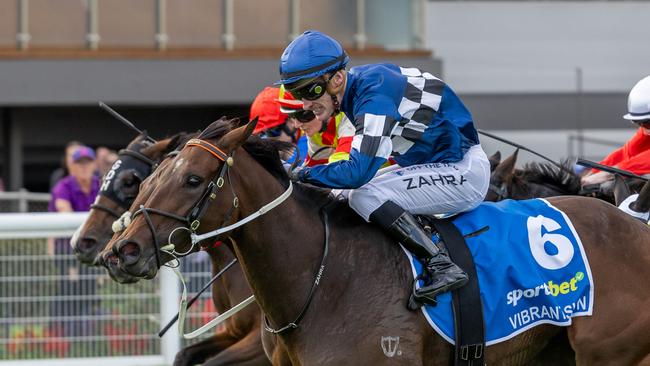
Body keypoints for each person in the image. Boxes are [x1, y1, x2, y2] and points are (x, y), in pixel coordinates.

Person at [277, 30, 491, 306]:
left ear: (337, 79)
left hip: (463, 172)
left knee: (363, 195)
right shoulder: (357, 91)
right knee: (340, 196)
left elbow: (357, 174)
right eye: (297, 93)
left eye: (310, 90)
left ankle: (440, 264)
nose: (306, 103)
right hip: (441, 164)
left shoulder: (372, 98)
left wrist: (299, 174)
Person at [48, 145, 100, 339]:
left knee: (90, 292)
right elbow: (65, 214)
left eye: (88, 162)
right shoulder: (62, 187)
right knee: (67, 292)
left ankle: (86, 337)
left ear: (94, 164)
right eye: (80, 163)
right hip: (66, 250)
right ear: (72, 166)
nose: (84, 167)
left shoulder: (100, 185)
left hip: (92, 249)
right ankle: (61, 336)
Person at [581, 75, 650, 186]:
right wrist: (593, 172)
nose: (646, 130)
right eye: (638, 123)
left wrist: (606, 174)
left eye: (648, 123)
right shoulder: (646, 129)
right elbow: (627, 153)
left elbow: (644, 160)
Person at [277, 86, 355, 167]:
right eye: (291, 116)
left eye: (303, 116)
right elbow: (310, 167)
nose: (297, 125)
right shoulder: (315, 132)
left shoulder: (348, 118)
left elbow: (342, 167)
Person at [249, 86, 307, 163]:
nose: (266, 139)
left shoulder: (311, 149)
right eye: (260, 134)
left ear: (292, 121)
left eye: (272, 131)